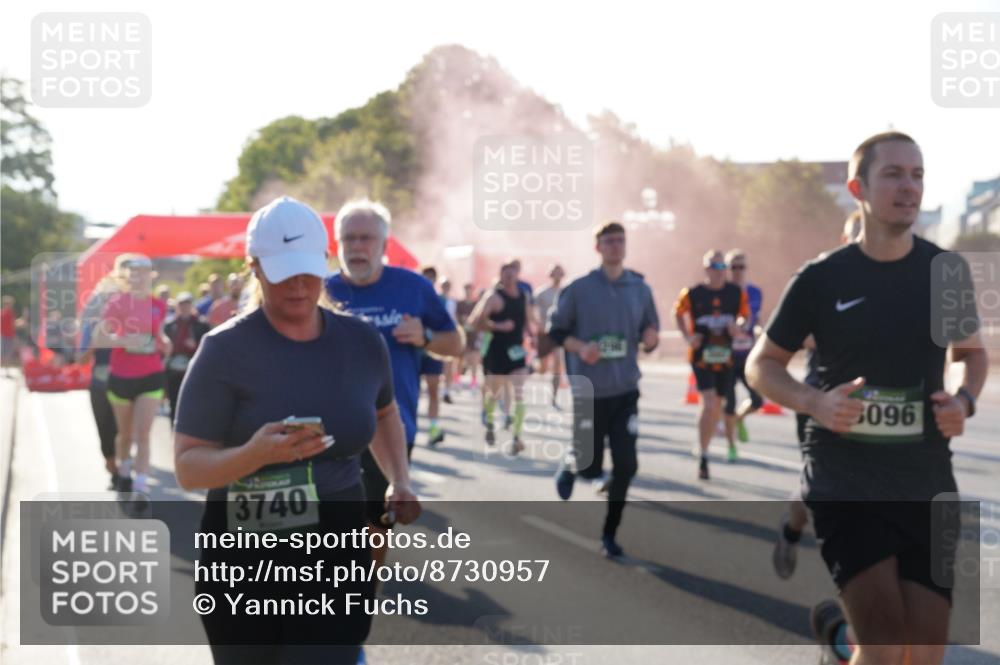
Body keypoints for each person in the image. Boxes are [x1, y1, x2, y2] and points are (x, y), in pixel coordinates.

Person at [747, 132, 988, 665]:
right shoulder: (820, 278)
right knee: (886, 652)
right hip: (844, 479)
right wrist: (815, 403)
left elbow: (972, 354)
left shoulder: (943, 273)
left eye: (918, 175)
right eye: (894, 175)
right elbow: (760, 365)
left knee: (921, 658)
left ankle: (836, 639)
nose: (909, 187)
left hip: (925, 481)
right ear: (858, 187)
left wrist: (964, 401)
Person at [174, 196, 419, 664]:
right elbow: (188, 468)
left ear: (324, 263)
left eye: (308, 270)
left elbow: (385, 413)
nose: (300, 285)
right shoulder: (223, 351)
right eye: (283, 272)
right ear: (255, 268)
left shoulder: (362, 342)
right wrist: (255, 454)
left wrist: (399, 480)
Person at [325, 199, 461, 569]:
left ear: (384, 244)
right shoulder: (320, 292)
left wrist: (425, 335)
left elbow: (456, 344)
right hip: (329, 431)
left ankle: (366, 591)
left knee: (375, 522)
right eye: (348, 238)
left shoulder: (413, 288)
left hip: (393, 427)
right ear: (336, 244)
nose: (356, 247)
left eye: (366, 238)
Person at [545, 221, 660, 557]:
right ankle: (571, 463)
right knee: (590, 468)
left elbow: (649, 329)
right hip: (590, 392)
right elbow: (556, 332)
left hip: (625, 391)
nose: (616, 246)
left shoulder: (640, 288)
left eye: (620, 241)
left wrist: (652, 339)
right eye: (609, 241)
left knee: (627, 465)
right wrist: (580, 347)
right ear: (597, 247)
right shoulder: (579, 289)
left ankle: (610, 534)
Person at [775, 211, 863, 580]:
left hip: (870, 407)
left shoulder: (900, 284)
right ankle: (792, 528)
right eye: (857, 236)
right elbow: (790, 340)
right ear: (845, 240)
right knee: (819, 485)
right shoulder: (823, 281)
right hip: (818, 400)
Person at [93, 255, 171, 494]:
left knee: (143, 433)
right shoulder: (117, 303)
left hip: (151, 374)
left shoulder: (158, 304)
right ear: (128, 276)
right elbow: (100, 338)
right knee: (125, 434)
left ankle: (140, 484)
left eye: (145, 272)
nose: (140, 277)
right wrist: (125, 340)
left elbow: (159, 335)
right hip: (122, 377)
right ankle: (124, 470)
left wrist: (165, 344)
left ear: (151, 276)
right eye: (135, 272)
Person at [674, 250, 749, 479]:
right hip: (701, 356)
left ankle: (704, 445)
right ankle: (704, 455)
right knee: (708, 403)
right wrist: (688, 336)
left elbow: (744, 316)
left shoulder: (735, 293)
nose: (718, 272)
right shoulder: (693, 293)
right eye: (713, 267)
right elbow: (677, 313)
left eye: (721, 267)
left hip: (725, 357)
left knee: (717, 404)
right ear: (705, 268)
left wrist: (738, 326)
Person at [78, 255, 132, 489]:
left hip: (126, 381)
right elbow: (81, 359)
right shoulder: (92, 322)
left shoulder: (131, 318)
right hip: (100, 383)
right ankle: (113, 468)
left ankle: (125, 473)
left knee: (124, 430)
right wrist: (96, 342)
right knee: (105, 432)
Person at [471, 261, 537, 454]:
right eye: (505, 273)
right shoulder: (493, 297)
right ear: (500, 275)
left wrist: (532, 337)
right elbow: (474, 321)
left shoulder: (523, 296)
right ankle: (490, 423)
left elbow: (527, 321)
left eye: (512, 273)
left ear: (517, 275)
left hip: (516, 351)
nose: (508, 277)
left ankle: (517, 437)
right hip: (497, 351)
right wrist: (498, 326)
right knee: (496, 393)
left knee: (518, 391)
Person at [723, 250, 764, 443]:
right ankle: (731, 446)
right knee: (728, 403)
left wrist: (759, 331)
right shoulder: (722, 293)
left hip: (749, 355)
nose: (738, 271)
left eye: (741, 267)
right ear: (727, 269)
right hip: (728, 356)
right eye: (734, 267)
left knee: (757, 400)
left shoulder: (755, 292)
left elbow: (756, 319)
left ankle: (739, 419)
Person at [163, 291, 210, 424]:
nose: (184, 307)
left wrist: (195, 346)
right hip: (173, 371)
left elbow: (208, 349)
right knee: (174, 404)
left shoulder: (201, 325)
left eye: (187, 304)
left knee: (193, 404)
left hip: (194, 370)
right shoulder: (169, 325)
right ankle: (174, 434)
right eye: (182, 304)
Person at [535, 264, 566, 408]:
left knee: (558, 364)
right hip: (544, 334)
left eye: (560, 274)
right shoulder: (542, 293)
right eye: (555, 274)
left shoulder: (566, 292)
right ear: (551, 275)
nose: (557, 277)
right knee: (543, 368)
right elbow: (533, 312)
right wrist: (537, 327)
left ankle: (553, 398)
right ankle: (533, 369)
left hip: (557, 334)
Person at [455, 283, 481, 390]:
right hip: (463, 334)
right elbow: (457, 317)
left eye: (469, 290)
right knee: (460, 358)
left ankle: (473, 381)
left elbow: (479, 317)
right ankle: (457, 379)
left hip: (474, 334)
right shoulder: (460, 303)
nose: (468, 292)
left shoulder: (477, 304)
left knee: (474, 358)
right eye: (466, 290)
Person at [438, 278, 459, 404]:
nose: (446, 287)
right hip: (438, 334)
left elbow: (455, 317)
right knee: (438, 366)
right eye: (444, 285)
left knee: (450, 364)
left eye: (448, 285)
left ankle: (447, 390)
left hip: (450, 334)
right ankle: (438, 390)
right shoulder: (436, 299)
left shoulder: (452, 301)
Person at [1, 295, 17, 375]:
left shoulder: (2, 312)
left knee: (3, 353)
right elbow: (12, 325)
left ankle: (6, 370)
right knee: (7, 353)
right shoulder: (9, 313)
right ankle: (6, 371)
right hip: (8, 336)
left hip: (3, 335)